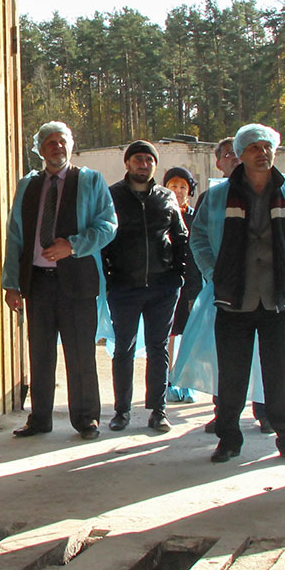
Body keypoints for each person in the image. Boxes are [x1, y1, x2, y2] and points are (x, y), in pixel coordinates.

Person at [185, 123, 285, 464]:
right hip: (233, 299)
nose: (262, 153)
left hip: (281, 299)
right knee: (231, 375)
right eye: (253, 148)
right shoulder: (218, 196)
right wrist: (213, 273)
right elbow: (199, 236)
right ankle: (228, 439)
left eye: (267, 147)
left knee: (281, 377)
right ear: (241, 155)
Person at [2, 121, 117, 440]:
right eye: (50, 142)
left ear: (71, 145)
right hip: (37, 282)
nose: (57, 147)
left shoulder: (91, 181)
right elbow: (15, 236)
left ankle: (86, 419)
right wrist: (12, 283)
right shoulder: (28, 185)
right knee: (39, 351)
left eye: (62, 141)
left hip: (78, 282)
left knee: (80, 352)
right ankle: (40, 418)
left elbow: (108, 225)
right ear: (40, 148)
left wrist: (74, 245)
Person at [102, 141, 188, 431]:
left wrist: (178, 275)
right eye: (137, 159)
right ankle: (121, 411)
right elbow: (103, 241)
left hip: (162, 287)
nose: (143, 164)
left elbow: (181, 236)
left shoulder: (166, 197)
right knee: (123, 349)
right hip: (124, 287)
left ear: (155, 165)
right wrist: (109, 279)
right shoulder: (111, 196)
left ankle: (158, 410)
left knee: (158, 347)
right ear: (127, 164)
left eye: (149, 160)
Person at [163, 166, 202, 401]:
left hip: (191, 285)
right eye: (173, 186)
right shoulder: (159, 213)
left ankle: (188, 382)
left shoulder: (196, 217)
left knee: (189, 335)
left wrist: (196, 290)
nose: (177, 191)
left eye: (182, 187)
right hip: (165, 284)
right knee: (167, 335)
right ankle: (167, 381)